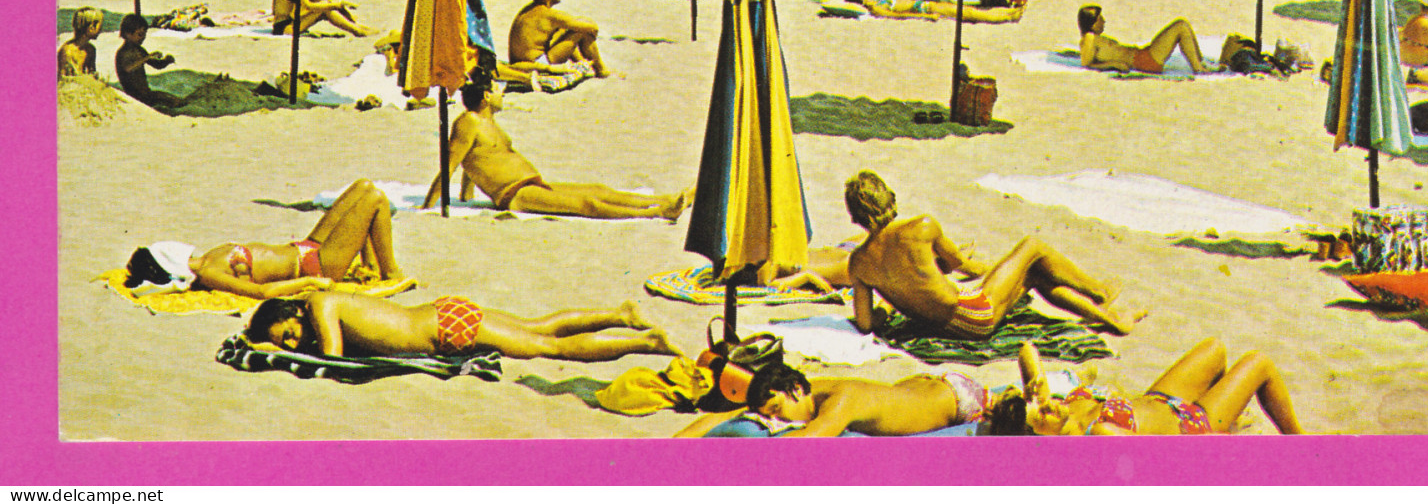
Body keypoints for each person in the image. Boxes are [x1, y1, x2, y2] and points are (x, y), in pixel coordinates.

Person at [842, 170, 1138, 340]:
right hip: (972, 316)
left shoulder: (858, 262)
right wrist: (985, 266)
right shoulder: (921, 227)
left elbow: (866, 323)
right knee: (1032, 247)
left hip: (937, 327)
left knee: (1034, 275)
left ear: (856, 217)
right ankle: (1100, 295)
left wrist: (892, 305)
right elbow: (961, 265)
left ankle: (1101, 312)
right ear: (890, 199)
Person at [421, 71, 689, 219]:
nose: (503, 93)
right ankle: (657, 212)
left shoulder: (487, 124)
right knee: (587, 203)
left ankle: (663, 199)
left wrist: (467, 197)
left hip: (531, 183)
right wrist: (426, 207)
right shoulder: (468, 122)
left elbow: (474, 161)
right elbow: (451, 163)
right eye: (499, 88)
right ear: (487, 96)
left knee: (598, 189)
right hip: (514, 195)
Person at [123, 179, 402, 299]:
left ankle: (372, 268)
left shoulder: (207, 258)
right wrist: (311, 281)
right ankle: (390, 273)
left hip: (306, 247)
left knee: (363, 186)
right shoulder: (208, 274)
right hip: (314, 266)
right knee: (375, 199)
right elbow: (262, 293)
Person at [246, 290, 682, 363]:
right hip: (441, 315)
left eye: (286, 334)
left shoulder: (319, 305)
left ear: (289, 314)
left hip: (445, 330)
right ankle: (620, 315)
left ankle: (643, 341)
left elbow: (334, 356)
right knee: (536, 328)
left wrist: (283, 356)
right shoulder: (323, 302)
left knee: (549, 349)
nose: (292, 341)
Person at [986, 338, 1302, 435]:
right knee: (1259, 363)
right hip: (1191, 425)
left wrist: (1036, 385)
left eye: (1041, 404)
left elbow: (1027, 349)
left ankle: (1231, 420)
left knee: (1216, 350)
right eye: (1042, 415)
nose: (1050, 405)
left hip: (1162, 398)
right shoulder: (1097, 435)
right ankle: (1301, 442)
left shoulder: (1058, 412)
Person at [675, 362, 993, 438]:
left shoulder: (842, 401)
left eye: (777, 410)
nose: (779, 420)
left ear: (797, 390)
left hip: (960, 400)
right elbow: (722, 416)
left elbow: (808, 441)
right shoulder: (808, 388)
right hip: (922, 386)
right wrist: (674, 444)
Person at [509, 0, 610, 78]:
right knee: (582, 31)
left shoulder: (528, 10)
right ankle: (601, 70)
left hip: (522, 62)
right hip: (536, 64)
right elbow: (592, 27)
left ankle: (583, 62)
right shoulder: (549, 15)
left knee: (566, 29)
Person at [1077, 5, 1218, 75]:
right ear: (1093, 22)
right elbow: (1087, 64)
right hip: (1143, 61)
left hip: (1142, 56)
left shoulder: (1094, 39)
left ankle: (1200, 62)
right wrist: (1114, 64)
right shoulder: (1089, 38)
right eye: (1100, 19)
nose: (1104, 21)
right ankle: (1198, 67)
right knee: (1180, 26)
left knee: (1182, 25)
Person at [114, 13, 189, 110]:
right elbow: (127, 68)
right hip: (134, 96)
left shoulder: (139, 50)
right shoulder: (123, 52)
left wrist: (166, 61)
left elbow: (156, 65)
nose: (143, 38)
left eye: (144, 35)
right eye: (140, 35)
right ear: (128, 34)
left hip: (146, 94)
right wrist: (147, 58)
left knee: (174, 100)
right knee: (170, 101)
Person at [848, 0, 1026, 24]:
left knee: (969, 4)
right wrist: (926, 16)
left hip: (926, 2)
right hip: (927, 8)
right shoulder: (875, 8)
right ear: (860, 0)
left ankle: (1008, 9)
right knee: (970, 12)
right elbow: (899, 16)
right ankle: (1010, 15)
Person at [58, 5, 103, 78]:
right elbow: (63, 80)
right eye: (99, 26)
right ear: (91, 27)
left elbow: (92, 74)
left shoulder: (90, 49)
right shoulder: (67, 51)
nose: (101, 30)